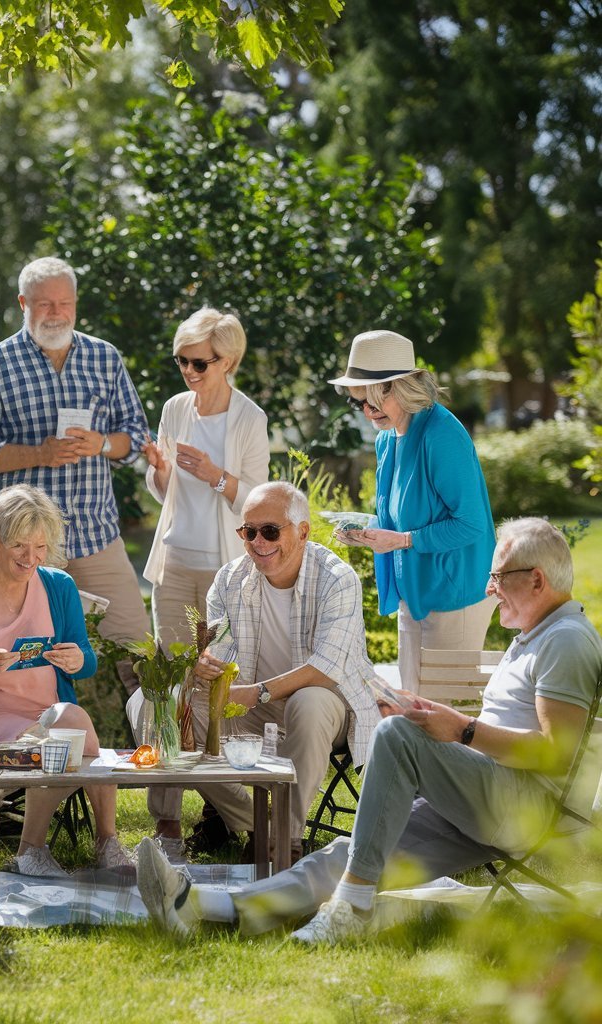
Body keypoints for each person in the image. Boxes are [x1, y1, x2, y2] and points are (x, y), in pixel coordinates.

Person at [137, 517, 602, 944]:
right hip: (488, 797)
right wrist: (435, 716)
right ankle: (206, 906)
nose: (489, 588)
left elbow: (555, 754)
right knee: (351, 851)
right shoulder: (537, 637)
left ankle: (351, 909)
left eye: (498, 577)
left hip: (529, 809)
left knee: (397, 735)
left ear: (536, 579)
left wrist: (459, 730)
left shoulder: (566, 640)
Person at [160, 481, 381, 860]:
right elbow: (224, 656)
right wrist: (206, 665)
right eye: (249, 532)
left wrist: (257, 692)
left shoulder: (337, 578)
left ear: (304, 531)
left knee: (309, 701)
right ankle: (255, 827)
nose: (258, 542)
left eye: (270, 531)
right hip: (254, 705)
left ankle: (285, 841)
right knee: (167, 703)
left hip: (329, 707)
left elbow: (324, 671)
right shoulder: (229, 579)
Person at [0, 257, 151, 688]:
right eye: (44, 304)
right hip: (25, 547)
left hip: (96, 534)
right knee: (19, 664)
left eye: (64, 303)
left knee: (139, 656)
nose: (56, 313)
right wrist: (40, 452)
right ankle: (20, 747)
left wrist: (101, 444)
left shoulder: (104, 357)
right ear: (23, 303)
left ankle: (156, 750)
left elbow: (136, 434)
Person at [129, 307, 270, 861]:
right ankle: (166, 822)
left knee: (211, 689)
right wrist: (160, 470)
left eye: (199, 363)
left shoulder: (248, 419)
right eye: (181, 361)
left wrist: (214, 473)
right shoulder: (174, 408)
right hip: (174, 564)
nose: (188, 371)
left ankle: (228, 813)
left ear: (227, 360)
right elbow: (164, 493)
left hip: (224, 568)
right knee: (166, 688)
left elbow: (257, 499)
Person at [0, 484, 133, 877]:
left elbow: (87, 661)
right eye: (20, 547)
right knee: (73, 736)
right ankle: (44, 848)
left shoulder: (58, 586)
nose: (32, 558)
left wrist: (78, 660)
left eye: (40, 547)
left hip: (47, 715)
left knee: (69, 725)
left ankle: (94, 843)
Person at [328, 330, 497, 689]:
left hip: (454, 594)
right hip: (415, 591)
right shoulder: (386, 438)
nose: (367, 412)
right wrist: (367, 532)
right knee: (414, 706)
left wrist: (402, 540)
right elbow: (401, 519)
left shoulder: (441, 434)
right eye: (359, 403)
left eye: (373, 401)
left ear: (400, 387)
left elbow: (472, 524)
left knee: (444, 713)